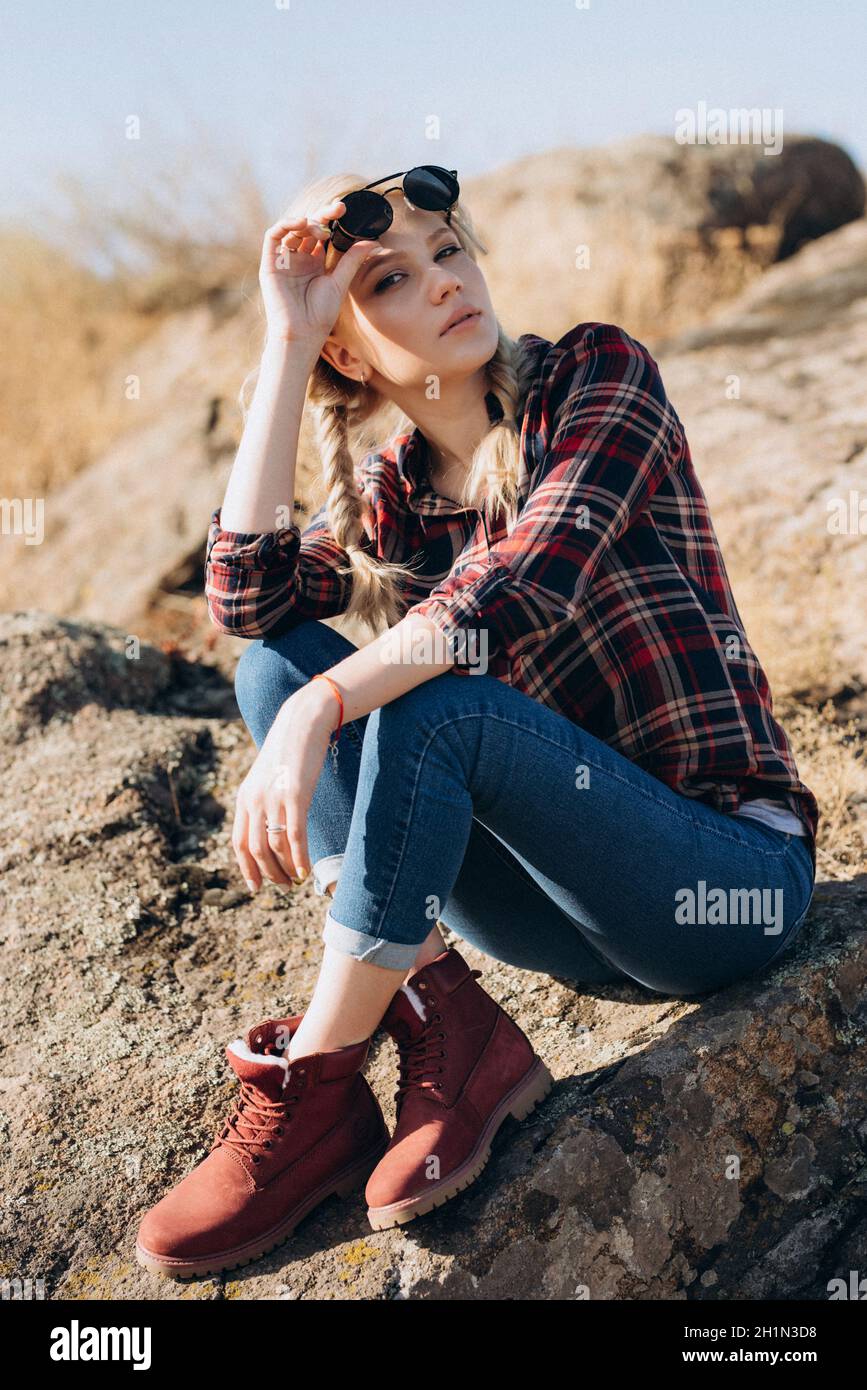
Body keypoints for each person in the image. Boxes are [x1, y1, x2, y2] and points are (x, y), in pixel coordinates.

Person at [135, 165, 819, 1279]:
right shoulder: (392, 491)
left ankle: (315, 1078)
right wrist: (288, 342)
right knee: (274, 666)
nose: (449, 283)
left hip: (719, 881)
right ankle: (453, 1026)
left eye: (450, 250)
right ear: (353, 352)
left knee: (422, 699)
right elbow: (244, 599)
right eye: (395, 279)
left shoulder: (596, 375)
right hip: (554, 919)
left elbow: (516, 590)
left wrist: (330, 705)